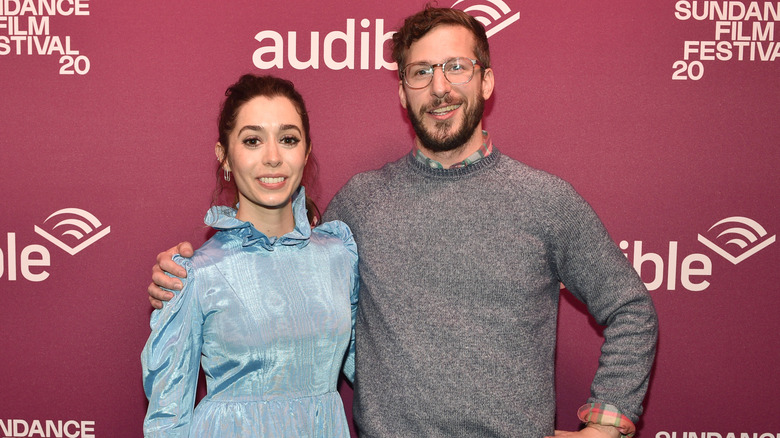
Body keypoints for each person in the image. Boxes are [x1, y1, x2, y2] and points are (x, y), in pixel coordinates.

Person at [148, 7, 658, 438]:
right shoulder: (362, 205)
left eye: (456, 67)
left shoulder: (545, 200)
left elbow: (632, 311)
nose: (440, 88)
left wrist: (605, 427)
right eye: (420, 72)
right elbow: (280, 256)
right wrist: (181, 276)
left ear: (486, 78)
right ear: (401, 91)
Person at [141, 74, 359, 437]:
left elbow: (376, 368)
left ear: (305, 152)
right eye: (253, 140)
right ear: (224, 155)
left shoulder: (339, 257)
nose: (273, 157)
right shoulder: (194, 275)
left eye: (288, 139)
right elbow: (168, 419)